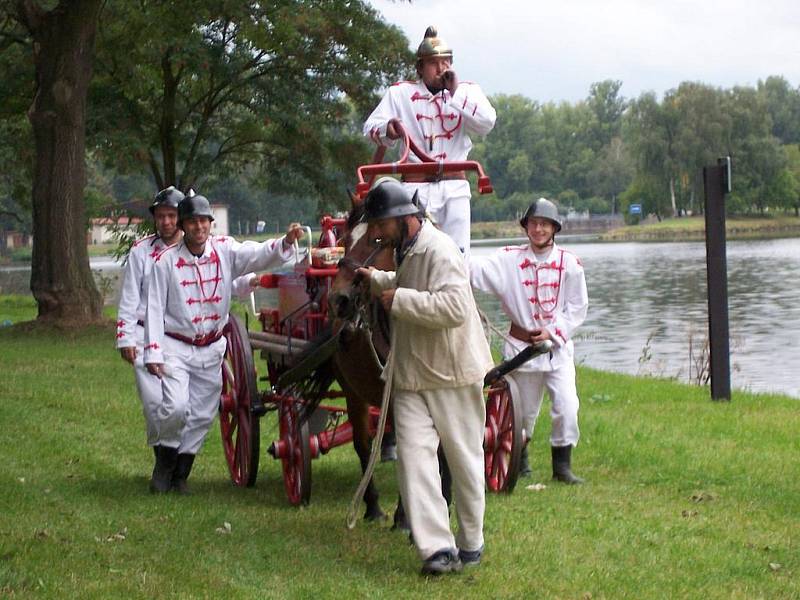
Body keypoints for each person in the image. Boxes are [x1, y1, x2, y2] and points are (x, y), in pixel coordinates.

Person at [356, 178, 493, 575]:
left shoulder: (441, 249)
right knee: (413, 459)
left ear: (402, 218)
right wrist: (379, 280)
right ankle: (437, 549)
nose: (375, 232)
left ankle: (470, 543)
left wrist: (398, 300)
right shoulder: (407, 246)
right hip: (413, 374)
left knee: (465, 462)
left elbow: (453, 307)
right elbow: (413, 284)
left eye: (379, 223)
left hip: (452, 373)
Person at [143, 193, 304, 494]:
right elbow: (153, 307)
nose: (198, 227)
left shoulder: (225, 251)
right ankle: (164, 464)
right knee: (176, 407)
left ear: (210, 224)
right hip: (176, 346)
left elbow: (257, 254)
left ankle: (181, 474)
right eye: (192, 222)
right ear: (183, 225)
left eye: (203, 221)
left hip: (212, 346)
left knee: (203, 412)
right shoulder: (164, 262)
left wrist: (284, 241)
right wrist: (153, 351)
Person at [469, 198, 588, 484]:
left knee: (567, 406)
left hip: (557, 352)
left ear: (554, 228)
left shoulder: (570, 264)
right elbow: (473, 268)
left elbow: (577, 307)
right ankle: (519, 461)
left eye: (544, 224)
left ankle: (562, 467)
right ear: (526, 228)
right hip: (522, 350)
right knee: (524, 413)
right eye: (533, 224)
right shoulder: (508, 259)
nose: (538, 229)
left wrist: (553, 332)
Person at [363, 26, 496, 256]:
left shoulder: (467, 91)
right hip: (416, 188)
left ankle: (457, 291)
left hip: (455, 189)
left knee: (458, 256)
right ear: (420, 67)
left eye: (446, 61)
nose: (441, 67)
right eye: (434, 62)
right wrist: (389, 129)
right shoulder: (400, 93)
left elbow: (487, 122)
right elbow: (370, 128)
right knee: (414, 253)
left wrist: (455, 93)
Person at [116, 186, 185, 466]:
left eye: (171, 215)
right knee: (153, 403)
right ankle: (163, 459)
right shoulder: (141, 251)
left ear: (181, 217)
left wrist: (248, 282)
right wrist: (125, 338)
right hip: (144, 335)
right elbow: (129, 295)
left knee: (178, 404)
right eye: (160, 216)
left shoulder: (192, 249)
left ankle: (172, 460)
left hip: (180, 337)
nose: (165, 222)